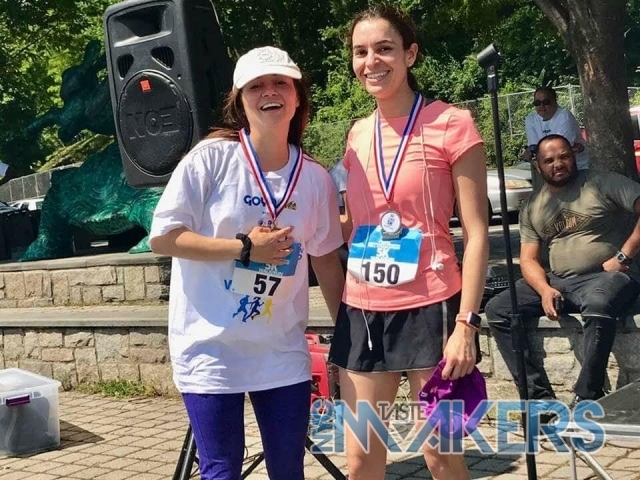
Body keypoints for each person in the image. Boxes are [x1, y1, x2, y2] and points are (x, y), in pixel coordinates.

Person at [148, 46, 345, 480]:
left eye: (280, 83)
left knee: (288, 470)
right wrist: (243, 249)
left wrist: (347, 339)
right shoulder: (211, 159)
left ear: (297, 96)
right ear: (240, 100)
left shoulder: (314, 178)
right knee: (221, 470)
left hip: (280, 351)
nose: (269, 92)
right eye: (256, 86)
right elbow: (163, 237)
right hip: (210, 350)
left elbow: (327, 262)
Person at [327, 5, 489, 480]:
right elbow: (353, 226)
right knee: (361, 459)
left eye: (384, 48)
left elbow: (476, 231)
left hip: (432, 307)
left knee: (441, 456)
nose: (371, 61)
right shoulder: (357, 134)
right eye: (360, 52)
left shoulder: (452, 123)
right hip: (364, 309)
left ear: (410, 54)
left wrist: (467, 324)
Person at [485, 134, 640, 409]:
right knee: (498, 309)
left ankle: (588, 396)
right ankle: (539, 398)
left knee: (598, 303)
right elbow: (528, 259)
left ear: (574, 156)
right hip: (558, 281)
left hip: (606, 278)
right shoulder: (533, 206)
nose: (558, 164)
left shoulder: (601, 182)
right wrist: (544, 289)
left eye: (564, 156)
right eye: (549, 160)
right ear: (538, 166)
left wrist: (623, 255)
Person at [522, 86, 588, 170]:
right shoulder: (530, 119)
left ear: (555, 101)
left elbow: (560, 147)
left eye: (546, 102)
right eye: (537, 103)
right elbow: (535, 148)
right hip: (548, 170)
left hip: (577, 168)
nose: (541, 106)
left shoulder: (565, 116)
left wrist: (538, 150)